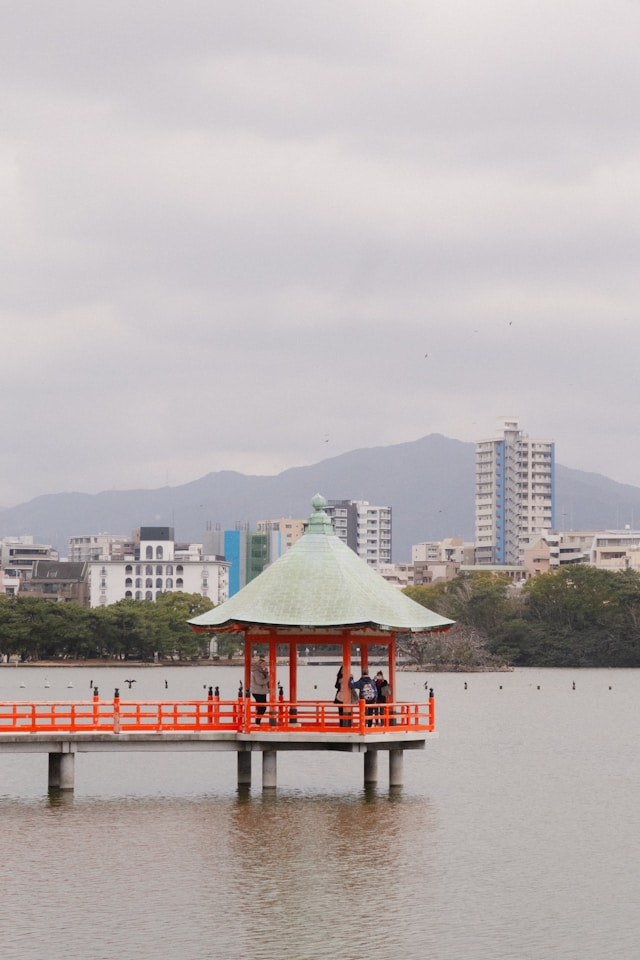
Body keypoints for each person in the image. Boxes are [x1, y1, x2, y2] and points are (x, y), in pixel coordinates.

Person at [250, 657, 269, 725]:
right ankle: (257, 722)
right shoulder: (256, 672)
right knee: (262, 707)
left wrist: (266, 673)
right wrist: (268, 678)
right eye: (263, 664)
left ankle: (257, 722)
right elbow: (260, 681)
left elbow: (264, 679)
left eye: (265, 664)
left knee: (262, 707)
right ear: (259, 664)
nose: (264, 665)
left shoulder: (261, 671)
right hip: (258, 692)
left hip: (261, 691)